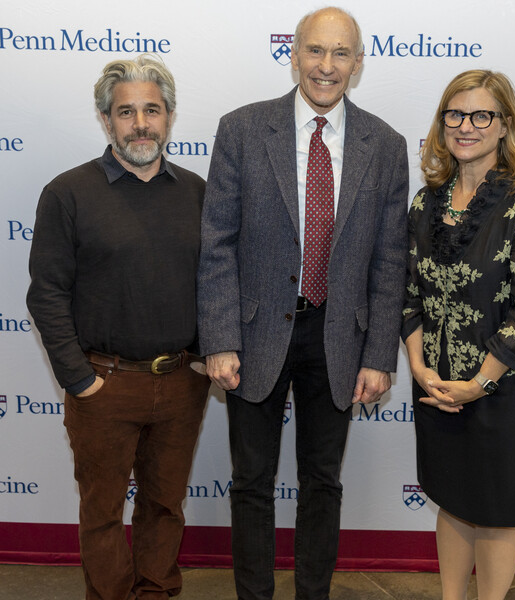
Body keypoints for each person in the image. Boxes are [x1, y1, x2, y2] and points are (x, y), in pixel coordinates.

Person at [196, 7, 408, 599]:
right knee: (252, 483)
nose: (327, 66)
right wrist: (219, 339)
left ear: (359, 63)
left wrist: (379, 355)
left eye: (342, 54)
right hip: (255, 332)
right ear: (294, 55)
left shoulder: (386, 146)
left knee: (323, 482)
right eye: (316, 51)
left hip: (340, 336)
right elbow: (218, 242)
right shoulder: (241, 129)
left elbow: (390, 260)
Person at [26, 55, 210, 600]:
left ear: (170, 116)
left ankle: (156, 592)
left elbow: (219, 281)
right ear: (107, 120)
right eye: (125, 111)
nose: (140, 123)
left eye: (151, 110)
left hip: (181, 382)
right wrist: (80, 380)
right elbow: (46, 294)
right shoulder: (68, 193)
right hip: (103, 383)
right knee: (103, 514)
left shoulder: (198, 193)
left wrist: (204, 356)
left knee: (163, 506)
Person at [401, 69, 515, 600]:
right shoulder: (425, 205)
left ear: (503, 125)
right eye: (455, 114)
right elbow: (409, 296)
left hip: (500, 389)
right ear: (442, 122)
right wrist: (422, 370)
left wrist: (479, 383)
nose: (466, 126)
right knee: (451, 499)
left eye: (481, 115)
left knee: (493, 513)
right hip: (437, 385)